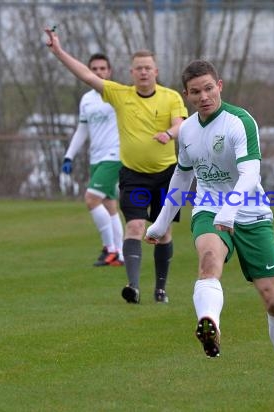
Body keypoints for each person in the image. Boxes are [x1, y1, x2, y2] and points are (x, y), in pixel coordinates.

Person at [144, 60, 274, 398]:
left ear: (220, 85)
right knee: (208, 260)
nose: (203, 96)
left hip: (252, 213)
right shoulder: (187, 130)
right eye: (195, 92)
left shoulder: (240, 121)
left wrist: (231, 211)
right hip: (207, 209)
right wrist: (161, 222)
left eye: (208, 88)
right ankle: (210, 324)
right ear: (187, 95)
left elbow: (251, 174)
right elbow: (183, 176)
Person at [45, 27, 188, 304]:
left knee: (162, 231)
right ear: (131, 73)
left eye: (148, 68)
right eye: (138, 69)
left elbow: (179, 123)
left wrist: (169, 134)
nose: (143, 72)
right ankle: (132, 287)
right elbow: (85, 75)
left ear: (156, 71)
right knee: (134, 226)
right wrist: (59, 52)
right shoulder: (120, 94)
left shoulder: (171, 97)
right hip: (133, 174)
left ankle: (160, 288)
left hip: (167, 176)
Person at [61, 53, 124, 267]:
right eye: (94, 69)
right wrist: (69, 155)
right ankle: (121, 254)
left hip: (115, 155)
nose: (98, 72)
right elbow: (82, 130)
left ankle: (111, 249)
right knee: (108, 205)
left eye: (102, 68)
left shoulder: (117, 94)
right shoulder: (86, 100)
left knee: (91, 199)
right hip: (96, 157)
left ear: (109, 71)